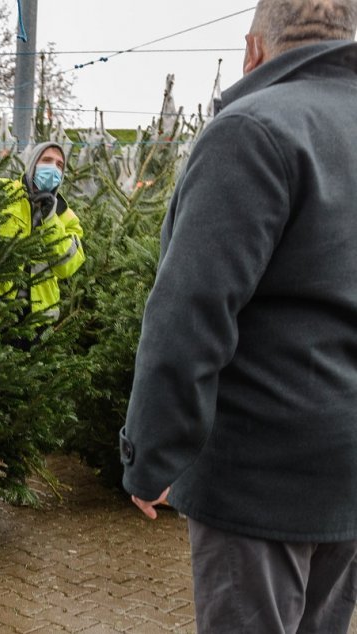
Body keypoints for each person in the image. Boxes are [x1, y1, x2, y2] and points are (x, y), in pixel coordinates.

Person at [119, 1, 357, 631]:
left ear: (253, 50)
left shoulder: (254, 129)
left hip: (261, 472)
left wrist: (153, 456)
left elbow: (190, 313)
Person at [0, 141, 85, 324]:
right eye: (47, 160)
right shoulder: (2, 193)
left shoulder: (66, 216)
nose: (53, 168)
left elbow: (67, 267)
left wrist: (50, 218)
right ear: (33, 163)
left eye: (59, 165)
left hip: (39, 319)